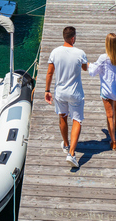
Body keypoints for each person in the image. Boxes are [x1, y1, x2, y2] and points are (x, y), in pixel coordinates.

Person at [45, 26, 87, 168]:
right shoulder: (79, 53)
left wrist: (47, 90)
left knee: (62, 116)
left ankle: (66, 144)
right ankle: (72, 153)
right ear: (73, 38)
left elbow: (50, 73)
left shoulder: (55, 52)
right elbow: (85, 68)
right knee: (77, 120)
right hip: (75, 93)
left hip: (60, 93)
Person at [88, 33, 116, 151]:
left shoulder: (104, 58)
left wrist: (88, 64)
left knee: (109, 115)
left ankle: (113, 141)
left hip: (108, 91)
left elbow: (93, 71)